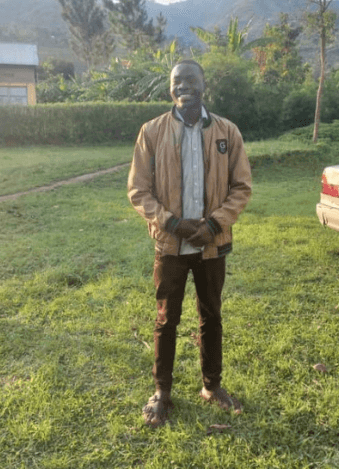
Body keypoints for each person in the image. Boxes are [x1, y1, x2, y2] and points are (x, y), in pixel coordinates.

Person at [127, 59, 253, 427]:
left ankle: (212, 386)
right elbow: (139, 190)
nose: (183, 86)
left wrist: (214, 224)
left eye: (190, 80)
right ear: (170, 89)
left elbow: (241, 186)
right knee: (167, 319)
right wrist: (173, 224)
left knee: (211, 315)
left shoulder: (227, 132)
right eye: (176, 81)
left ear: (203, 85)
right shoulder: (152, 132)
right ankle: (161, 392)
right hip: (171, 245)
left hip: (212, 245)